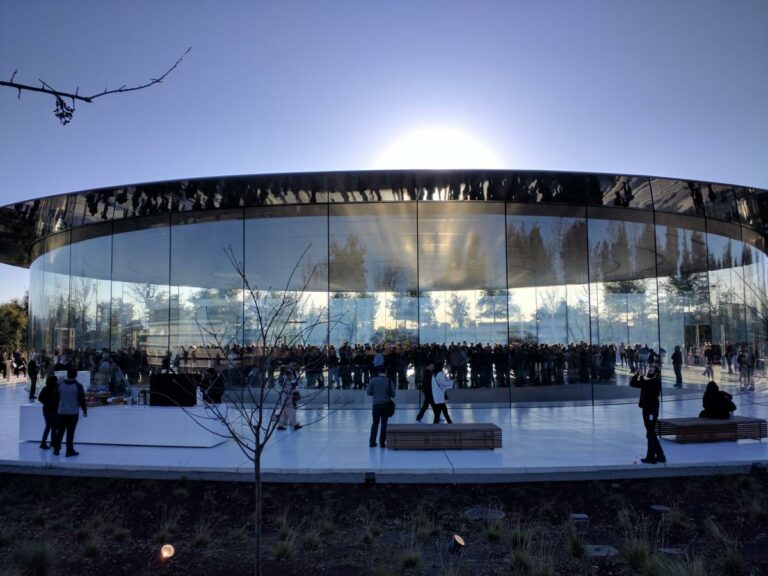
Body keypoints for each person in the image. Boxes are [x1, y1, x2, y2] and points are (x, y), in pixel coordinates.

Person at [629, 363, 666, 464]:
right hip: (646, 408)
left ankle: (653, 457)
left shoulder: (656, 381)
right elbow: (633, 384)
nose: (649, 370)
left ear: (656, 372)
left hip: (652, 410)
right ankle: (659, 455)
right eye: (649, 368)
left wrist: (641, 376)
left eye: (652, 369)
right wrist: (637, 374)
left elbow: (647, 385)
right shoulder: (647, 380)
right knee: (650, 433)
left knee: (650, 432)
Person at [52, 367, 87, 457]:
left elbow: (55, 398)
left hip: (61, 412)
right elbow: (82, 400)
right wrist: (84, 410)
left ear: (67, 375)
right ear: (76, 375)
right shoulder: (78, 386)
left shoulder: (60, 385)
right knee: (70, 432)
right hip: (73, 412)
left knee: (60, 431)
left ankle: (56, 449)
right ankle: (69, 450)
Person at [366, 365, 395, 447]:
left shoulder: (373, 380)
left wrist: (375, 394)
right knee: (384, 423)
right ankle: (382, 442)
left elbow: (368, 392)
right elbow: (393, 394)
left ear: (378, 372)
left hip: (376, 405)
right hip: (386, 404)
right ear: (385, 372)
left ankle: (372, 442)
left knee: (375, 423)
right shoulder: (389, 381)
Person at [37, 374, 59, 449]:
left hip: (46, 410)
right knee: (54, 426)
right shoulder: (56, 389)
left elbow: (40, 398)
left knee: (48, 426)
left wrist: (45, 402)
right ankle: (52, 442)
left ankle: (44, 442)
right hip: (53, 410)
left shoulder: (45, 389)